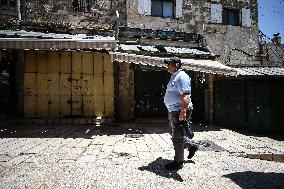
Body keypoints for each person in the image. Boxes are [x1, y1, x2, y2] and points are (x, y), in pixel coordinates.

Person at [163, 57, 198, 170]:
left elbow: (185, 96)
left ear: (177, 64)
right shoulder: (175, 76)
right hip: (174, 110)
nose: (167, 65)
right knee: (173, 133)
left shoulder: (181, 76)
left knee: (177, 137)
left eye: (169, 63)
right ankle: (191, 146)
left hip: (179, 110)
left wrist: (183, 112)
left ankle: (178, 162)